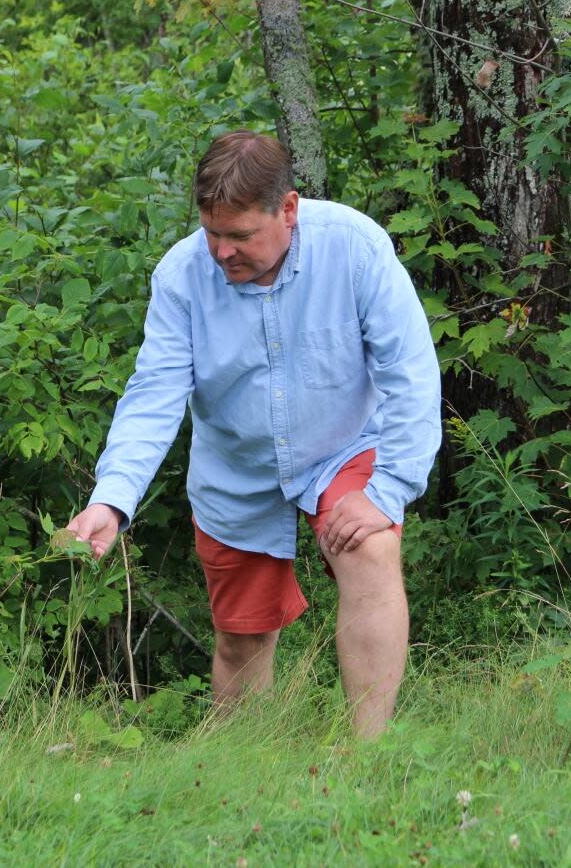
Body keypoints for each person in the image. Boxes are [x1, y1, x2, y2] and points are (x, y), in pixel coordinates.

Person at [65, 130, 441, 738]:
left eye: (240, 236)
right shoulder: (182, 278)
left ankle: (368, 758)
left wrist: (387, 489)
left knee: (371, 548)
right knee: (242, 638)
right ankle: (244, 768)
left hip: (340, 445)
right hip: (235, 469)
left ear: (288, 209)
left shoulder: (355, 247)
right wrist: (112, 498)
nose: (221, 252)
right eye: (213, 233)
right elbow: (154, 393)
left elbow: (411, 375)